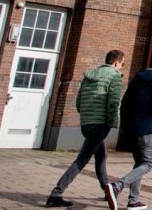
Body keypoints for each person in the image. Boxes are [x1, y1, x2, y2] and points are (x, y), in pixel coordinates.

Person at [45, 50, 125, 208]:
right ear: (116, 63)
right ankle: (56, 193)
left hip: (86, 123)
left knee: (101, 156)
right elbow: (114, 102)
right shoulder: (114, 76)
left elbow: (79, 101)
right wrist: (112, 122)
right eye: (122, 64)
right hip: (100, 124)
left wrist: (87, 117)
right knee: (81, 160)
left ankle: (107, 190)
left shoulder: (89, 76)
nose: (121, 67)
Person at [104, 49, 152, 210]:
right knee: (148, 163)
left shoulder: (139, 76)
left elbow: (126, 100)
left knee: (139, 163)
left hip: (134, 125)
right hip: (149, 126)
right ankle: (117, 186)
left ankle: (134, 200)